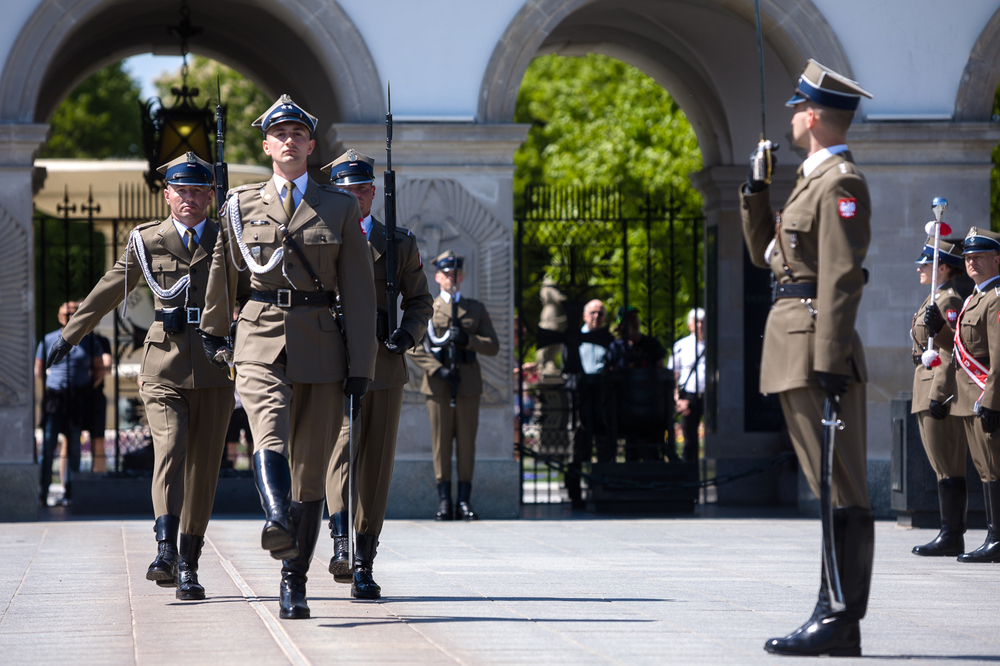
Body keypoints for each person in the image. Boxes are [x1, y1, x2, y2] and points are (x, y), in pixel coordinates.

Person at [199, 95, 377, 620]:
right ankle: (276, 517)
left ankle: (292, 579)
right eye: (280, 133)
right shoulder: (239, 203)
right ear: (266, 145)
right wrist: (213, 329)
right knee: (268, 430)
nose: (290, 141)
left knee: (309, 470)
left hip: (321, 341)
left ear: (312, 145)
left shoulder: (339, 206)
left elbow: (360, 294)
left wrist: (361, 366)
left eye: (298, 133)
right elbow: (223, 270)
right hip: (257, 337)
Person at [46, 153, 235, 601]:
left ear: (211, 195)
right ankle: (164, 549)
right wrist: (71, 336)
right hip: (163, 365)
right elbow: (111, 287)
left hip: (213, 367)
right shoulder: (147, 241)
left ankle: (189, 564)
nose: (189, 198)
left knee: (204, 470)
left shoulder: (230, 240)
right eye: (181, 190)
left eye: (197, 191)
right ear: (167, 194)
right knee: (169, 450)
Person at [741, 59, 874, 656]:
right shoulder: (809, 180)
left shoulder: (841, 182)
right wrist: (755, 191)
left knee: (840, 487)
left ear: (814, 116)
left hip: (817, 345)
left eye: (798, 107)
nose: (792, 115)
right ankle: (831, 612)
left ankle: (840, 617)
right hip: (795, 344)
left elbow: (841, 278)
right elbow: (768, 255)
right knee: (828, 489)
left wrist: (830, 357)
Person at [321, 149, 433, 600]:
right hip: (333, 361)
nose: (354, 198)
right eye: (344, 192)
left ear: (372, 193)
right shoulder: (321, 237)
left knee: (376, 466)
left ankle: (364, 561)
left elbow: (420, 301)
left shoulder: (398, 243)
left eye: (361, 190)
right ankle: (340, 542)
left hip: (384, 366)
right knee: (340, 452)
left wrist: (406, 335)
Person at [410, 250, 499, 521]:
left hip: (468, 384)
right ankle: (444, 500)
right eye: (447, 274)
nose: (452, 279)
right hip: (438, 386)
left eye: (456, 274)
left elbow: (493, 346)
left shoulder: (475, 309)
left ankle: (464, 500)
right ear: (437, 277)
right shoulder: (429, 307)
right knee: (441, 445)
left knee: (466, 445)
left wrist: (468, 340)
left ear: (462, 276)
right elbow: (414, 346)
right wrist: (438, 370)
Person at [935, 227, 1000, 563]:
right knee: (985, 469)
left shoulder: (996, 297)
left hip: (985, 395)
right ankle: (994, 535)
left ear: (996, 260)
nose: (972, 263)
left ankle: (997, 537)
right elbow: (962, 350)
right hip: (968, 396)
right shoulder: (974, 297)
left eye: (979, 257)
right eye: (969, 258)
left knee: (994, 467)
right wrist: (941, 332)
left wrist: (992, 398)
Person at [909, 238, 971, 557]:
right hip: (925, 384)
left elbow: (951, 351)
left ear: (942, 268)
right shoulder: (932, 298)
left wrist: (940, 393)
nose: (920, 267)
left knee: (949, 465)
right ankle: (948, 532)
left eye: (927, 263)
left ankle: (952, 535)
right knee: (940, 466)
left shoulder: (949, 299)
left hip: (938, 388)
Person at [35, 301, 102, 506]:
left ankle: (71, 494)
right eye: (66, 314)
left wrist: (88, 385)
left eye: (74, 313)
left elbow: (99, 368)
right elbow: (39, 369)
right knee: (48, 445)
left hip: (77, 398)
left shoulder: (89, 341)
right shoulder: (48, 340)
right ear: (59, 316)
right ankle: (43, 492)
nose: (70, 317)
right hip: (55, 398)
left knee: (74, 447)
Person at [671, 308, 706, 462]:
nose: (700, 325)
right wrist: (677, 398)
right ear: (689, 325)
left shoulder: (715, 344)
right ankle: (689, 474)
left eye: (703, 322)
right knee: (689, 439)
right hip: (689, 395)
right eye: (696, 322)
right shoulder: (681, 345)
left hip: (711, 395)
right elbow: (674, 374)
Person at [605, 306, 665, 370]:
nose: (634, 321)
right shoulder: (616, 347)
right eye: (629, 318)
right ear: (622, 326)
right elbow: (611, 371)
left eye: (635, 316)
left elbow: (661, 370)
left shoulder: (652, 344)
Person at [86, 332, 112, 473]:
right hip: (74, 395)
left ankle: (98, 480)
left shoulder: (100, 340)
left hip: (95, 396)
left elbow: (106, 367)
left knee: (98, 441)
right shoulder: (68, 338)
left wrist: (96, 372)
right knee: (69, 441)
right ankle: (68, 487)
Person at [579, 299, 608, 374]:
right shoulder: (575, 338)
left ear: (604, 317)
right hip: (580, 383)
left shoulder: (608, 339)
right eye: (593, 312)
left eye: (600, 313)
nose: (596, 316)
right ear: (584, 316)